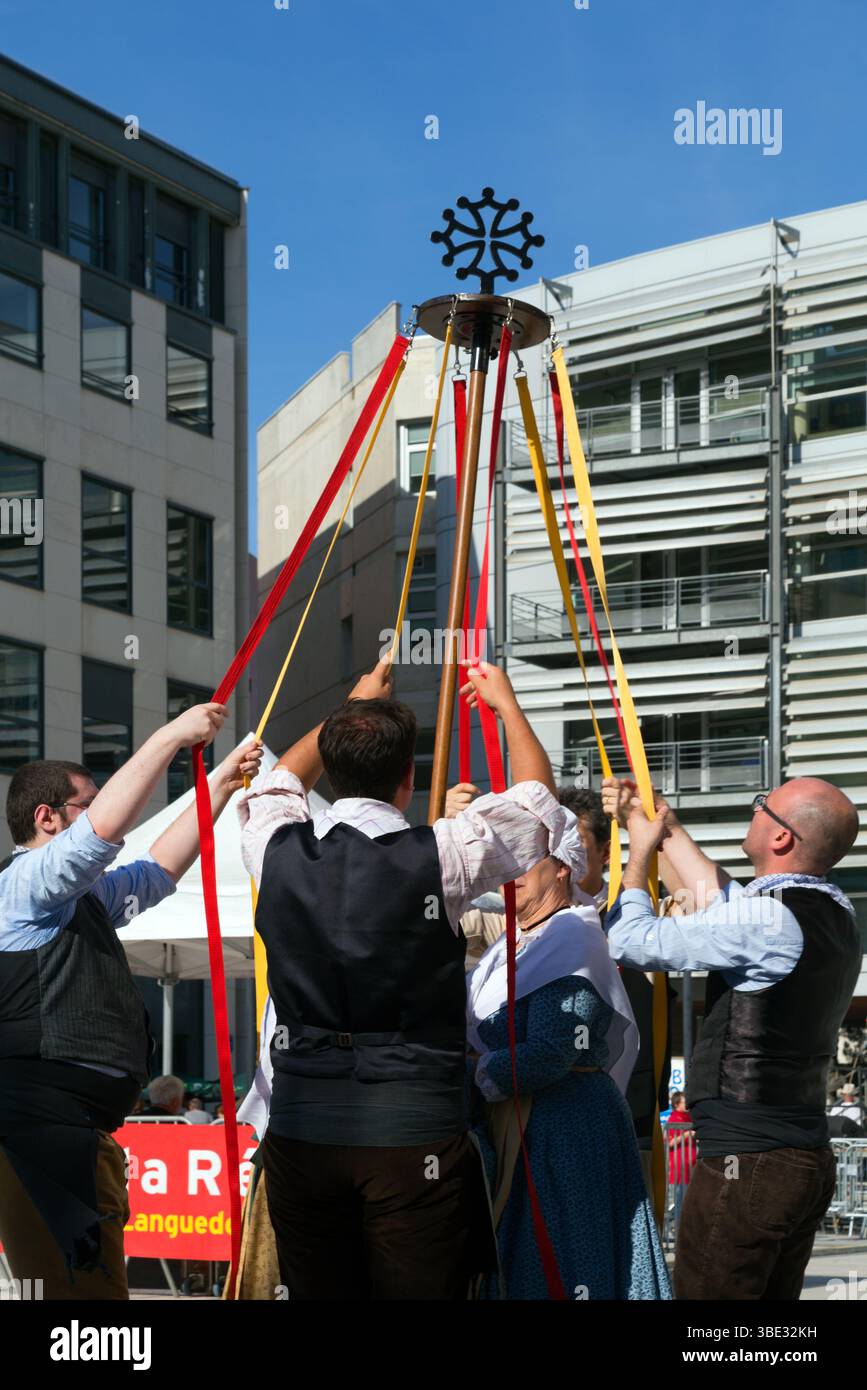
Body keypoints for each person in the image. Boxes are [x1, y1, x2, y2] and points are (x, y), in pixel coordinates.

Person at [239, 657, 570, 1301]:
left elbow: (277, 782)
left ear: (331, 772)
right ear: (408, 780)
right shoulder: (442, 854)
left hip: (303, 1130)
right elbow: (537, 803)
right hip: (410, 1131)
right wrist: (505, 706)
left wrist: (350, 705)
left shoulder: (274, 844)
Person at [0, 713, 263, 1300]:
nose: (98, 815)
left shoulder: (75, 897)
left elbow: (159, 871)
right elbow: (105, 832)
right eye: (82, 805)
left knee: (93, 1299)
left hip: (77, 1132)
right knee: (80, 1308)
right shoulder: (24, 887)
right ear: (46, 819)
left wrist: (219, 782)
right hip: (44, 1136)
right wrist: (170, 739)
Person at [602, 775, 861, 1300]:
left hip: (751, 1158)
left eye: (762, 805)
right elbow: (719, 900)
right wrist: (663, 825)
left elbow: (630, 940)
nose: (755, 810)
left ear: (781, 838)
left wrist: (638, 860)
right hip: (800, 1154)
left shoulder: (767, 918)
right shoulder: (834, 910)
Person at [466, 809, 671, 1300]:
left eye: (524, 862)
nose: (510, 876)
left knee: (562, 1259)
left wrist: (473, 1068)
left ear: (562, 868)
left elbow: (552, 1052)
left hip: (564, 1131)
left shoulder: (572, 935)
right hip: (523, 1123)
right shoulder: (513, 943)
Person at [665, 1090, 696, 1230]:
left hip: (691, 1166)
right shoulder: (674, 1119)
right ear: (677, 1104)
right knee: (680, 1200)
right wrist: (687, 1134)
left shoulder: (688, 1117)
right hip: (680, 1168)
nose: (688, 1104)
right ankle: (678, 1230)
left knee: (690, 1200)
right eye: (685, 1102)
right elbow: (669, 1142)